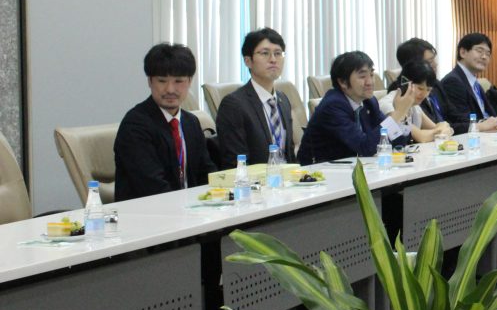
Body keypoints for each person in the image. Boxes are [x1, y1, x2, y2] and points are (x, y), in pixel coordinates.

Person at [115, 43, 214, 201]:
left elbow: (207, 174)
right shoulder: (135, 126)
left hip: (191, 209)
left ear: (189, 81)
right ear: (150, 81)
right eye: (162, 81)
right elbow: (152, 187)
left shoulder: (191, 122)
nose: (170, 89)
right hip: (149, 211)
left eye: (178, 81)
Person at [297, 51, 414, 165]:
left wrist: (402, 117)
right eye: (362, 76)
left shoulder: (369, 101)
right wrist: (397, 113)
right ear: (343, 82)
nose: (370, 82)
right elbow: (364, 147)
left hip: (353, 166)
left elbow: (397, 142)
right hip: (319, 170)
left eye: (371, 75)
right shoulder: (333, 105)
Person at [215, 28, 296, 169]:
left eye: (278, 53)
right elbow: (235, 163)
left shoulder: (283, 100)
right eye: (265, 53)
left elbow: (289, 155)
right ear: (248, 61)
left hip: (287, 179)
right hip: (255, 181)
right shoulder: (234, 105)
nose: (273, 59)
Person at [440, 33, 497, 131]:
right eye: (479, 51)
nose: (484, 57)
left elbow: (487, 114)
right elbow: (460, 120)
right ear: (463, 52)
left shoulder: (475, 83)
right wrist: (485, 124)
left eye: (488, 54)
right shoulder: (452, 81)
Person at [381, 61, 454, 143]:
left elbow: (436, 127)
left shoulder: (414, 106)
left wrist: (442, 128)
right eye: (420, 88)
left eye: (428, 90)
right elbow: (421, 137)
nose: (424, 94)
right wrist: (440, 130)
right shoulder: (388, 104)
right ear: (405, 83)